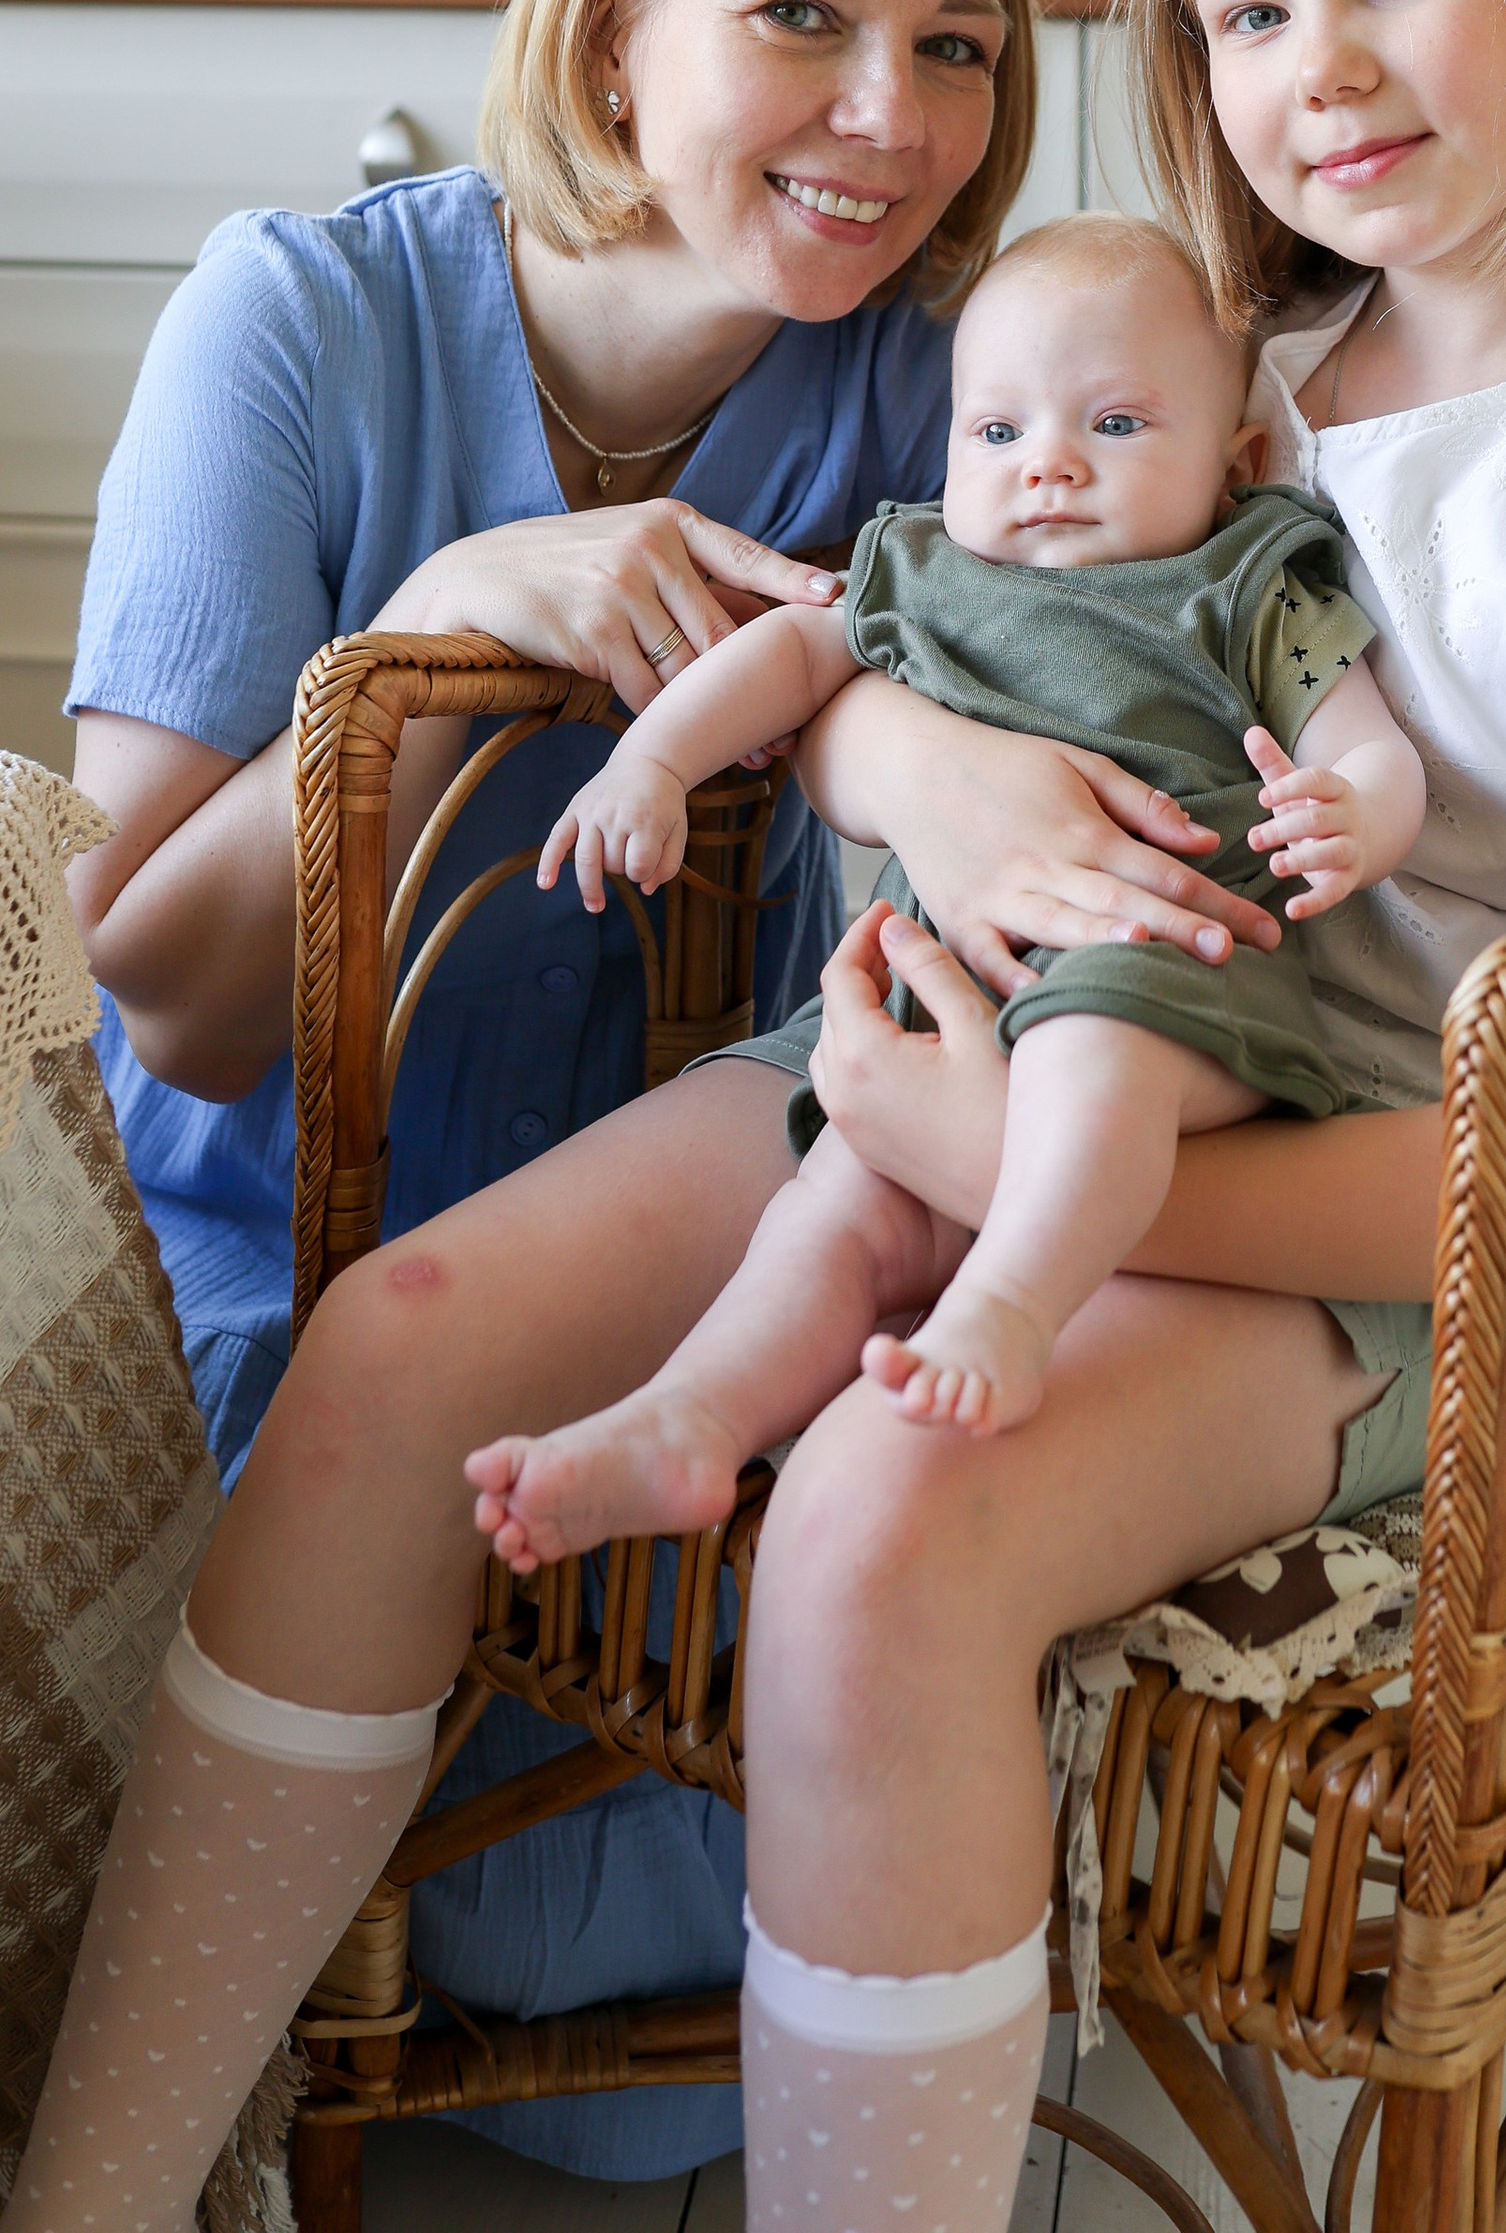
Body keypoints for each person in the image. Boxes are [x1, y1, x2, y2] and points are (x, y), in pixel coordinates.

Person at [2, 0, 1506, 2233]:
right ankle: (93, 2198)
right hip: (914, 1060)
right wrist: (910, 965)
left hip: (1315, 1224)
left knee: (879, 1522)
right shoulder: (1230, 375)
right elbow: (898, 637)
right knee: (394, 1348)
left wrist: (998, 1162)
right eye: (1243, 13)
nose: (1316, 68)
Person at [38, 0, 1054, 2196]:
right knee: (518, 1929)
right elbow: (150, 988)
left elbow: (1072, 813)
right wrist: (417, 635)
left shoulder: (953, 397)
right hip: (285, 1278)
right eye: (800, 17)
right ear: (614, 22)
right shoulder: (287, 326)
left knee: (653, 2033)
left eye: (953, 49)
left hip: (684, 1310)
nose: (886, 114)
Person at [469, 211, 1425, 1559]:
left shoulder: (1247, 573)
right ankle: (690, 1420)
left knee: (1095, 1056)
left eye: (1115, 425)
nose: (1046, 467)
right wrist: (652, 764)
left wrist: (1355, 818)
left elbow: (1366, 745)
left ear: (1237, 457)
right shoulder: (925, 568)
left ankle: (1012, 1305)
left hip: (1167, 976)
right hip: (948, 995)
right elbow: (790, 664)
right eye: (998, 433)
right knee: (839, 1207)